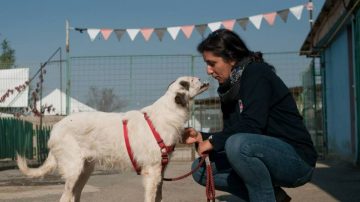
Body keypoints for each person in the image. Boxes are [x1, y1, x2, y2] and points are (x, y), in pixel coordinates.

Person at [184, 29, 318, 202]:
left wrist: (212, 142)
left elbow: (252, 125)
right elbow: (234, 130)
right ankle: (275, 197)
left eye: (212, 63)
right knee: (201, 171)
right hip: (258, 149)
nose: (208, 70)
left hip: (296, 160)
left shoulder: (257, 73)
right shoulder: (229, 88)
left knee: (238, 144)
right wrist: (202, 136)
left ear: (231, 58)